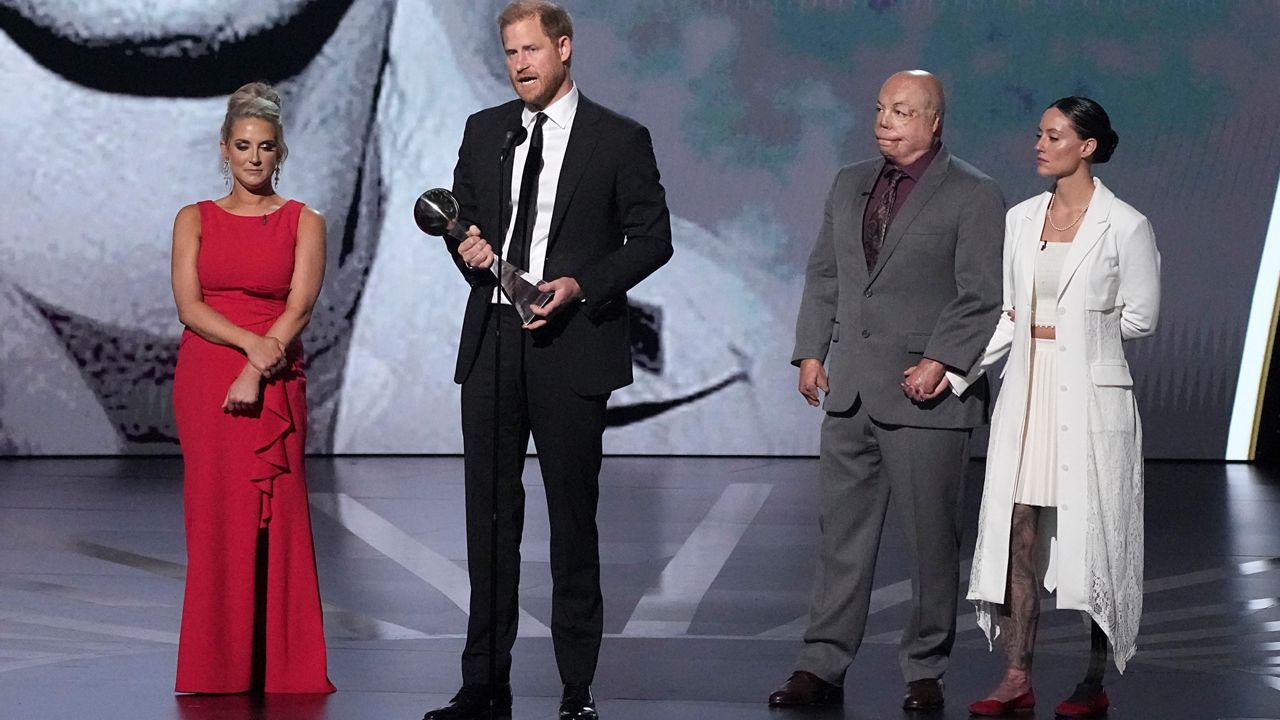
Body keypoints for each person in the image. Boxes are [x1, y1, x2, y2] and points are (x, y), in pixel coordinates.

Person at [421, 3, 672, 719]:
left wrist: (581, 285)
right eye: (510, 52)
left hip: (571, 348)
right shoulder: (485, 130)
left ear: (564, 48)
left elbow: (652, 239)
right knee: (490, 519)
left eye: (532, 49)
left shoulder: (618, 139)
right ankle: (483, 683)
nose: (520, 63)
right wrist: (466, 247)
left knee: (572, 519)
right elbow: (460, 217)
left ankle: (575, 691)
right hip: (495, 342)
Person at [769, 70, 1004, 712]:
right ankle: (821, 664)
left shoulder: (973, 193)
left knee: (931, 545)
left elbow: (981, 293)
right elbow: (826, 273)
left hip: (926, 397)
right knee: (840, 538)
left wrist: (942, 361)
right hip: (850, 392)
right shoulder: (849, 183)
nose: (884, 120)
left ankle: (925, 670)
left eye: (901, 110)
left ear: (933, 122)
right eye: (879, 108)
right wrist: (812, 350)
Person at [953, 97, 1159, 718]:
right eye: (1039, 134)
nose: (1039, 145)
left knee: (1094, 538)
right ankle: (1016, 674)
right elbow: (1011, 314)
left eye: (1053, 135)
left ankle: (1093, 682)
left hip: (1090, 400)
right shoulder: (1021, 219)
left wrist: (1077, 337)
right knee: (1019, 531)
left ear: (1087, 146)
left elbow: (1141, 318)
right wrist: (957, 370)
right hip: (1029, 393)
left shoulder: (1125, 225)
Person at [170, 82, 334, 694]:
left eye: (265, 147)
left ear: (281, 152)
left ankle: (281, 668)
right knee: (214, 518)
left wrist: (257, 365)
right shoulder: (194, 218)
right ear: (224, 150)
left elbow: (300, 304)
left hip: (274, 377)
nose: (254, 158)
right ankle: (218, 668)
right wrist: (248, 346)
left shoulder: (304, 221)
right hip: (208, 378)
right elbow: (189, 306)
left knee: (279, 518)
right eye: (243, 146)